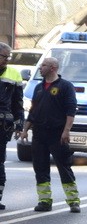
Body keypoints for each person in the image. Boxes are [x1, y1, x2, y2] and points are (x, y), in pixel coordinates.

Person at [18, 57, 79, 213]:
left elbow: (70, 110)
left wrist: (66, 131)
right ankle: (44, 201)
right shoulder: (39, 87)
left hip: (57, 134)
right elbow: (33, 112)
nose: (40, 68)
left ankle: (73, 201)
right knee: (40, 168)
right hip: (39, 134)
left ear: (53, 68)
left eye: (43, 65)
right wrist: (25, 130)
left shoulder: (65, 86)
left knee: (64, 167)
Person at [0, 43, 25, 210]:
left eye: (9, 57)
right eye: (4, 57)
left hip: (3, 125)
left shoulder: (14, 74)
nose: (7, 60)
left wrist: (19, 124)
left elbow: (18, 102)